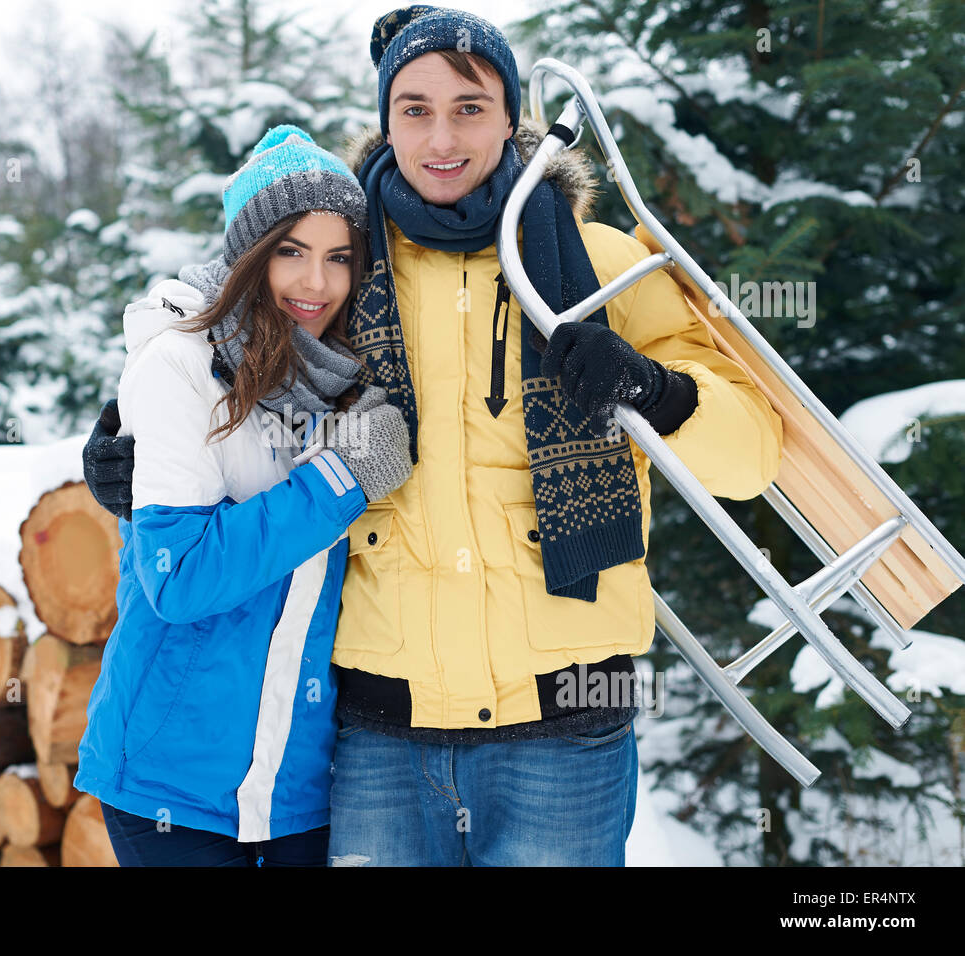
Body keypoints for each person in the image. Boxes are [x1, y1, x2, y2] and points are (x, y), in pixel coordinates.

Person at [86, 7, 783, 867]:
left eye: (469, 106)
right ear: (385, 119)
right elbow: (221, 319)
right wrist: (128, 430)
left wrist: (655, 389)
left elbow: (752, 456)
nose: (441, 135)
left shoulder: (600, 264)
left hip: (562, 732)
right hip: (383, 737)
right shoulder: (350, 262)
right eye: (414, 109)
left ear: (511, 113)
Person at [73, 124, 414, 867]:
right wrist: (340, 480)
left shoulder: (350, 376)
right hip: (174, 779)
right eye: (289, 252)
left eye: (338, 258)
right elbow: (180, 576)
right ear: (247, 256)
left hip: (301, 786)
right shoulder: (181, 366)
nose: (315, 284)